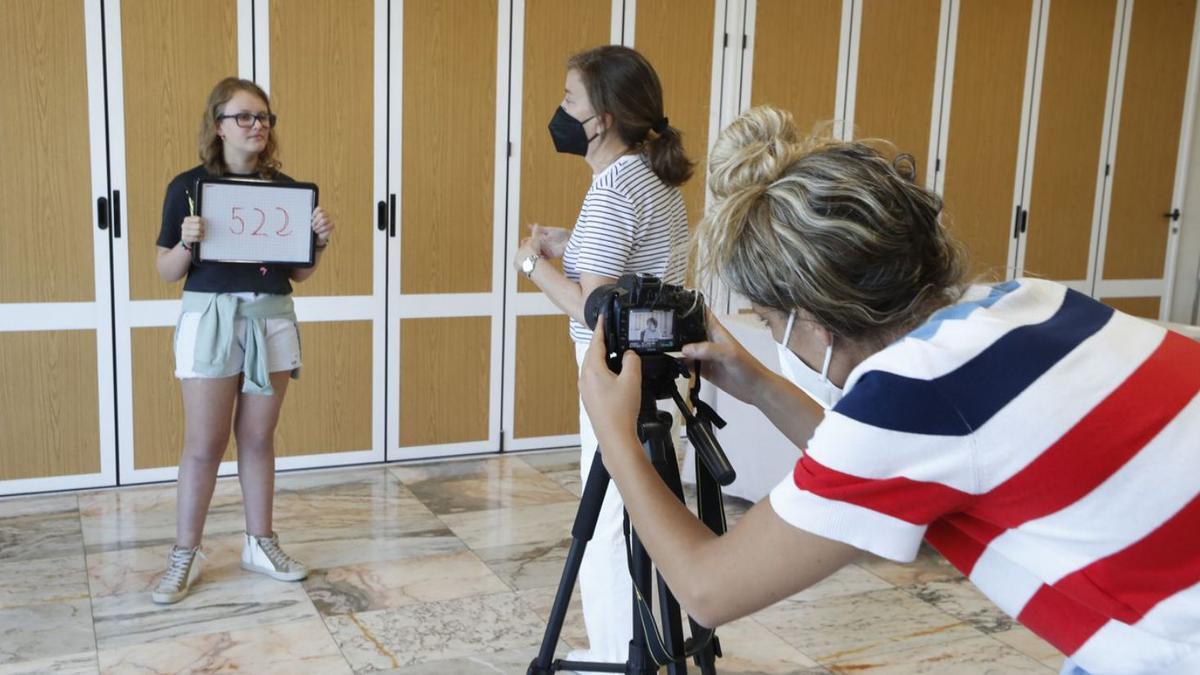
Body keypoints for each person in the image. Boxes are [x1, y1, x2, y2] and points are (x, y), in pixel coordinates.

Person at [578, 105, 1200, 675]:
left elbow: (706, 590)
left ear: (812, 319)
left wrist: (617, 439)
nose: (773, 338)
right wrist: (760, 386)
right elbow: (893, 462)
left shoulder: (915, 393)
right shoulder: (1021, 302)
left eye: (769, 323)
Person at [512, 45, 692, 667]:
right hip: (657, 368)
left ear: (604, 116)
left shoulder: (614, 187)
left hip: (614, 380)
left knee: (610, 523)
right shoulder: (648, 177)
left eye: (569, 99)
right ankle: (639, 643)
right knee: (644, 514)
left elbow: (595, 309)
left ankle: (618, 653)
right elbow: (622, 264)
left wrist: (532, 265)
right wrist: (573, 239)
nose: (560, 110)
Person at [151, 77, 336, 604]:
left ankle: (261, 543)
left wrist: (318, 244)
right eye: (244, 117)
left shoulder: (287, 189)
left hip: (272, 317)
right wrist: (187, 244)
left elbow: (298, 274)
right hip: (210, 319)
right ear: (218, 125)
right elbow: (165, 270)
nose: (257, 126)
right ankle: (185, 553)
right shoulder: (187, 187)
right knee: (204, 444)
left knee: (258, 439)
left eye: (265, 118)